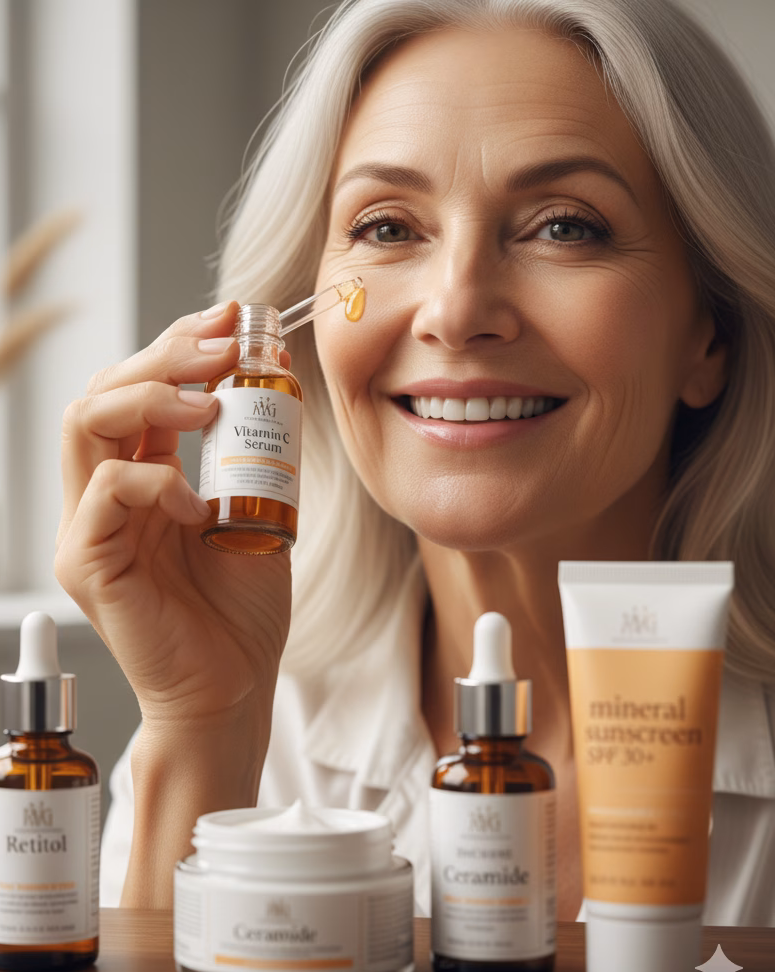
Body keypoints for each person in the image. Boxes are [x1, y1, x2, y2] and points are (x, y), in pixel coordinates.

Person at [56, 0, 775, 924]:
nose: (455, 310)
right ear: (302, 336)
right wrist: (206, 727)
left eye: (564, 226)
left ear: (710, 336)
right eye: (388, 228)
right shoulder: (261, 716)